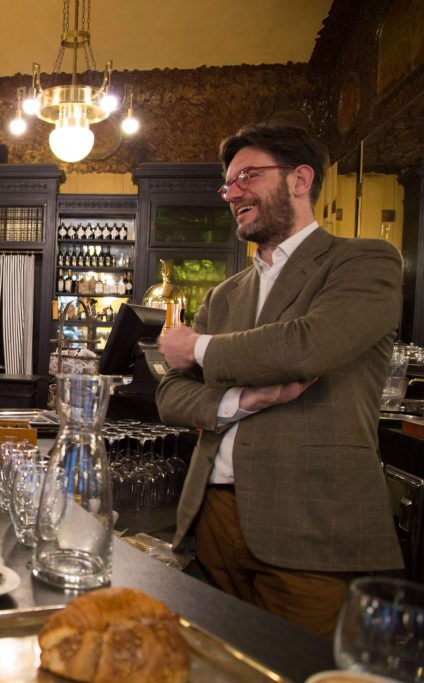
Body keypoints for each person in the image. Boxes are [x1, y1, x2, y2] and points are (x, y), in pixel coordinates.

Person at [156, 123, 404, 636]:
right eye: (228, 184)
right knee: (216, 664)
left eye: (247, 176)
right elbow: (171, 394)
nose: (233, 194)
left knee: (298, 667)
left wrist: (196, 346)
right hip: (212, 518)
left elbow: (309, 344)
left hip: (310, 523)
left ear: (299, 179)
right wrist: (242, 400)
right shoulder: (224, 295)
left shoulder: (363, 262)